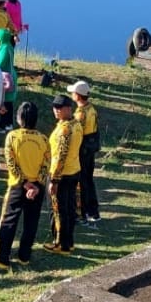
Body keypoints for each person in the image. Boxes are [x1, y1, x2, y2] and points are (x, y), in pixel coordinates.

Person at [0, 101, 48, 271]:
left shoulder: (12, 137)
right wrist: (36, 186)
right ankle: (24, 256)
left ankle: (3, 257)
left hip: (18, 186)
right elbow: (46, 164)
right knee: (31, 222)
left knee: (8, 221)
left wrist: (25, 184)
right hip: (37, 187)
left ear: (20, 118)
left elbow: (11, 163)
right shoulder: (43, 139)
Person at [43, 93, 82, 255]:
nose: (56, 110)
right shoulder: (76, 124)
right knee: (69, 208)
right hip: (73, 170)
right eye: (54, 107)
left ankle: (60, 243)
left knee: (58, 210)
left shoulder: (65, 129)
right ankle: (69, 242)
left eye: (60, 107)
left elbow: (60, 155)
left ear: (68, 108)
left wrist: (54, 180)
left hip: (62, 174)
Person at [68, 81, 101, 225]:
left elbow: (76, 132)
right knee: (88, 180)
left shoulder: (80, 113)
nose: (71, 95)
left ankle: (84, 213)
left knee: (81, 182)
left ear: (78, 96)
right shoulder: (92, 109)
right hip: (91, 147)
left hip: (82, 149)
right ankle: (94, 211)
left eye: (73, 93)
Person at [0, 27, 19, 130]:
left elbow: (0, 63)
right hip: (9, 74)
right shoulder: (8, 46)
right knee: (7, 101)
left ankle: (6, 124)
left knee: (6, 102)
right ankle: (7, 124)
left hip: (5, 78)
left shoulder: (4, 48)